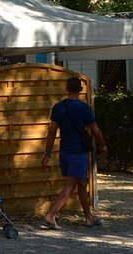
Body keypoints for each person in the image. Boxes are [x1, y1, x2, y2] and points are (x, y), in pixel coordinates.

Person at [40, 77, 107, 229]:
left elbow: (51, 132)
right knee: (71, 185)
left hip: (64, 151)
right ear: (81, 90)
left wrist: (47, 153)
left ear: (66, 88)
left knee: (81, 183)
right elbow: (95, 130)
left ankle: (89, 217)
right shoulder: (84, 108)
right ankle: (51, 216)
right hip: (78, 152)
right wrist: (103, 145)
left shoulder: (58, 107)